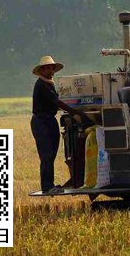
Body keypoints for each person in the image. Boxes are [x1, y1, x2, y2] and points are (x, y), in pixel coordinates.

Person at [31, 56, 90, 194]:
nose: (52, 71)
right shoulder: (41, 85)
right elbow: (56, 102)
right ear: (42, 69)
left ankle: (49, 185)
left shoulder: (49, 83)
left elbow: (56, 101)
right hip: (41, 121)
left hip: (49, 120)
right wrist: (76, 112)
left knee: (51, 154)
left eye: (53, 68)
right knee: (46, 154)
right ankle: (47, 186)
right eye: (49, 68)